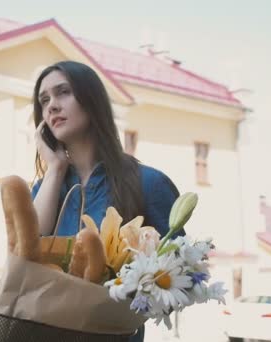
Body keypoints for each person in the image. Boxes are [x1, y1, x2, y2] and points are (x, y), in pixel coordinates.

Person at [30, 60, 183, 341]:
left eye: (63, 92)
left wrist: (125, 299)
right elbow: (26, 256)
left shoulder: (149, 184)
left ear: (92, 100)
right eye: (44, 100)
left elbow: (179, 280)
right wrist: (55, 169)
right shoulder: (45, 188)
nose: (51, 105)